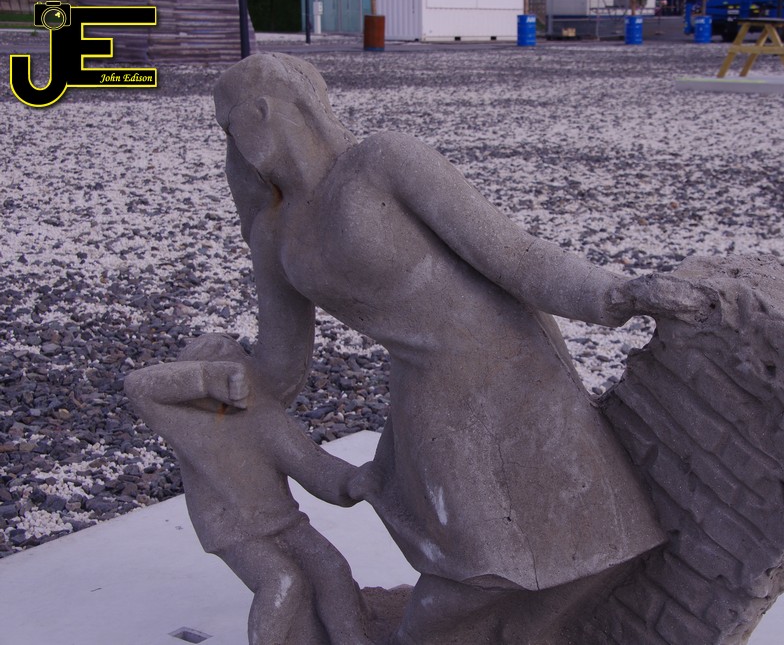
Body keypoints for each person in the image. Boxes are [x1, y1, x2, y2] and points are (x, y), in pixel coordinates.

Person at [214, 53, 717, 643]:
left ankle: (529, 636)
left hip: (517, 363)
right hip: (431, 391)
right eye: (230, 123)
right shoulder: (274, 232)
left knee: (595, 543)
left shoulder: (383, 162)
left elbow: (513, 254)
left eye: (243, 114)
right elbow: (280, 364)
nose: (239, 133)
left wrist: (615, 294)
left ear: (281, 106)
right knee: (477, 563)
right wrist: (208, 383)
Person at [125, 334, 372, 645]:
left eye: (236, 370)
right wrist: (207, 379)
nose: (234, 384)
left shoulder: (263, 416)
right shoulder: (186, 422)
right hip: (233, 531)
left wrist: (356, 481)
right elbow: (138, 385)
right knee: (281, 580)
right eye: (222, 373)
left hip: (285, 520)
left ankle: (353, 639)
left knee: (332, 568)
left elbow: (312, 465)